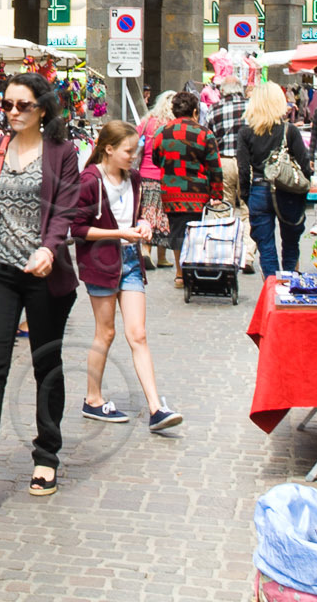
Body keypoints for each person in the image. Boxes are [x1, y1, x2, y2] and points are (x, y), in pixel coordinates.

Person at [0, 73, 83, 512]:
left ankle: (46, 456)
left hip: (44, 272)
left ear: (43, 108)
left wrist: (49, 247)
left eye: (22, 105)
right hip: (0, 270)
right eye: (7, 104)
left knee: (46, 363)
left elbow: (66, 208)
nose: (12, 112)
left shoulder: (62, 152)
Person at [74, 120, 182, 433]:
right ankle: (92, 399)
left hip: (130, 261)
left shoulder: (133, 179)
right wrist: (120, 232)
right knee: (105, 333)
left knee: (138, 333)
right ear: (108, 149)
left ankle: (156, 408)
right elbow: (77, 229)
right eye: (128, 151)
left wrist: (142, 225)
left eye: (135, 151)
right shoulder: (89, 181)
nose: (133, 157)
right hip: (101, 262)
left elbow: (134, 216)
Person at [237, 81, 314, 277]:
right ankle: (288, 281)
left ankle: (272, 287)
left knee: (265, 245)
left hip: (260, 189)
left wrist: (246, 196)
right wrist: (304, 185)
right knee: (290, 241)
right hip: (287, 190)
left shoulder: (246, 132)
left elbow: (243, 169)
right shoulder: (290, 130)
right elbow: (304, 164)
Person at [150, 89, 224, 287]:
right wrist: (217, 193)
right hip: (197, 193)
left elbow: (156, 159)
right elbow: (214, 166)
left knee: (177, 231)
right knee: (194, 231)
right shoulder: (204, 134)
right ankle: (191, 270)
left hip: (170, 192)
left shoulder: (161, 132)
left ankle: (180, 273)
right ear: (194, 112)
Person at [204, 77, 256, 272]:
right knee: (247, 209)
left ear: (222, 91)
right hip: (248, 162)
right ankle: (247, 256)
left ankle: (223, 254)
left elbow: (209, 138)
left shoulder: (214, 109)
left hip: (223, 161)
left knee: (223, 207)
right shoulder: (251, 107)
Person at [133, 92, 175, 271]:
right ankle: (162, 257)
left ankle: (146, 250)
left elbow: (135, 145)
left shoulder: (146, 123)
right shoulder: (172, 127)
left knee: (147, 212)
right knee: (164, 215)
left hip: (144, 174)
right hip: (165, 176)